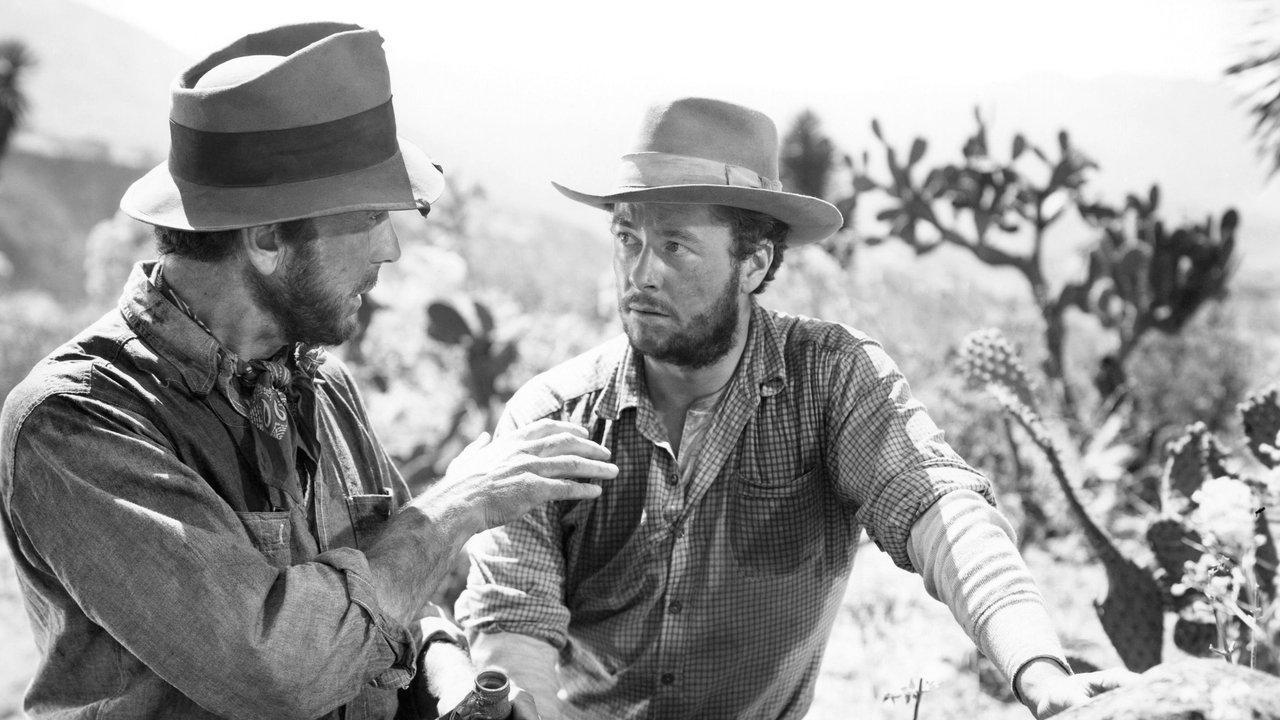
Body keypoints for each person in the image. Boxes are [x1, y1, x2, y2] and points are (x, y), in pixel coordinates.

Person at [0, 22, 615, 720]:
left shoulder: (319, 385)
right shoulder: (76, 424)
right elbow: (279, 670)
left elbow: (392, 586)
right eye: (368, 218)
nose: (391, 249)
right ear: (266, 237)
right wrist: (456, 505)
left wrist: (449, 676)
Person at [455, 97, 1135, 719]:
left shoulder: (830, 378)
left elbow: (940, 512)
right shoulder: (553, 414)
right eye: (627, 238)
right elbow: (514, 614)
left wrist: (1040, 672)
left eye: (674, 245)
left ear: (753, 264)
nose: (640, 273)